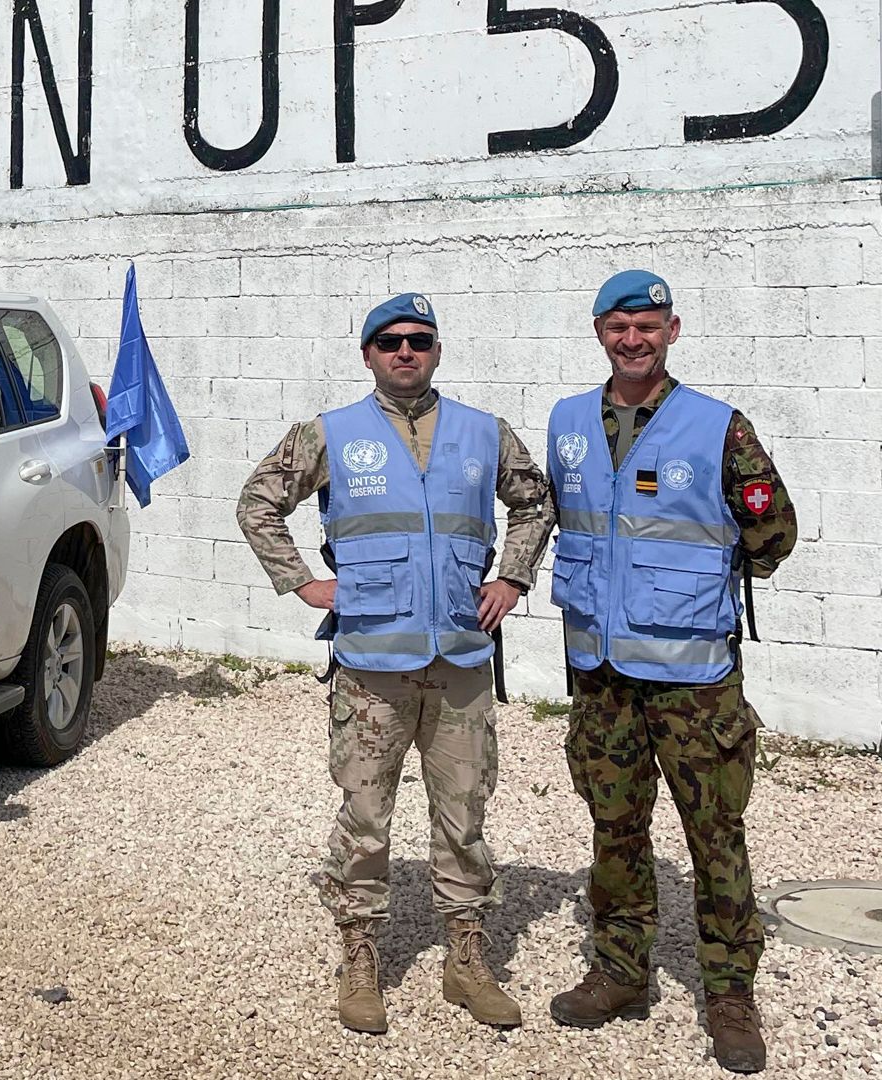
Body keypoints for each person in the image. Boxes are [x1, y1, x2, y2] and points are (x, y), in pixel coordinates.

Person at [236, 294, 555, 1034]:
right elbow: (257, 502)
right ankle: (360, 957)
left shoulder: (483, 432)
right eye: (389, 342)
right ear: (368, 355)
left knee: (464, 813)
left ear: (436, 350)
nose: (404, 351)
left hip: (459, 659)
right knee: (365, 816)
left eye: (418, 340)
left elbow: (535, 502)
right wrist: (301, 581)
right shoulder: (330, 433)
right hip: (372, 661)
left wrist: (512, 578)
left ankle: (466, 958)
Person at [544, 270, 797, 1074]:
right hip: (602, 673)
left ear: (672, 331)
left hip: (694, 677)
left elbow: (773, 532)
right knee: (615, 828)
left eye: (648, 326)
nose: (633, 340)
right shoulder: (567, 421)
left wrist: (692, 585)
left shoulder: (718, 426)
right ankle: (621, 970)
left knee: (714, 833)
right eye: (619, 327)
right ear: (599, 332)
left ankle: (729, 993)